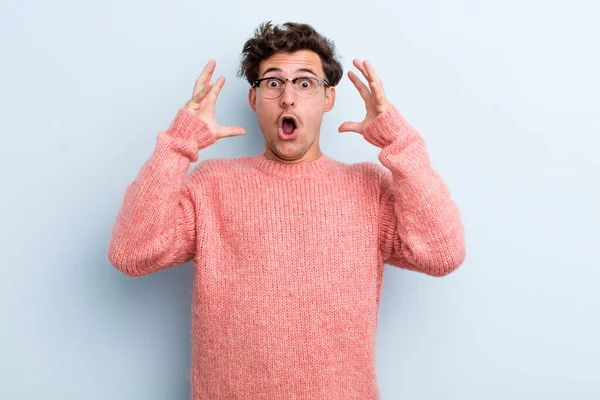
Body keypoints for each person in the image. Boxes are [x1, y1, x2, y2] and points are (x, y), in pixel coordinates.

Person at [107, 21, 466, 400]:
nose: (288, 98)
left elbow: (442, 255)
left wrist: (398, 141)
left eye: (305, 83)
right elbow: (131, 253)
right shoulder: (210, 186)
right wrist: (179, 143)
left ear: (328, 99)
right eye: (274, 83)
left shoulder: (370, 189)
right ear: (253, 99)